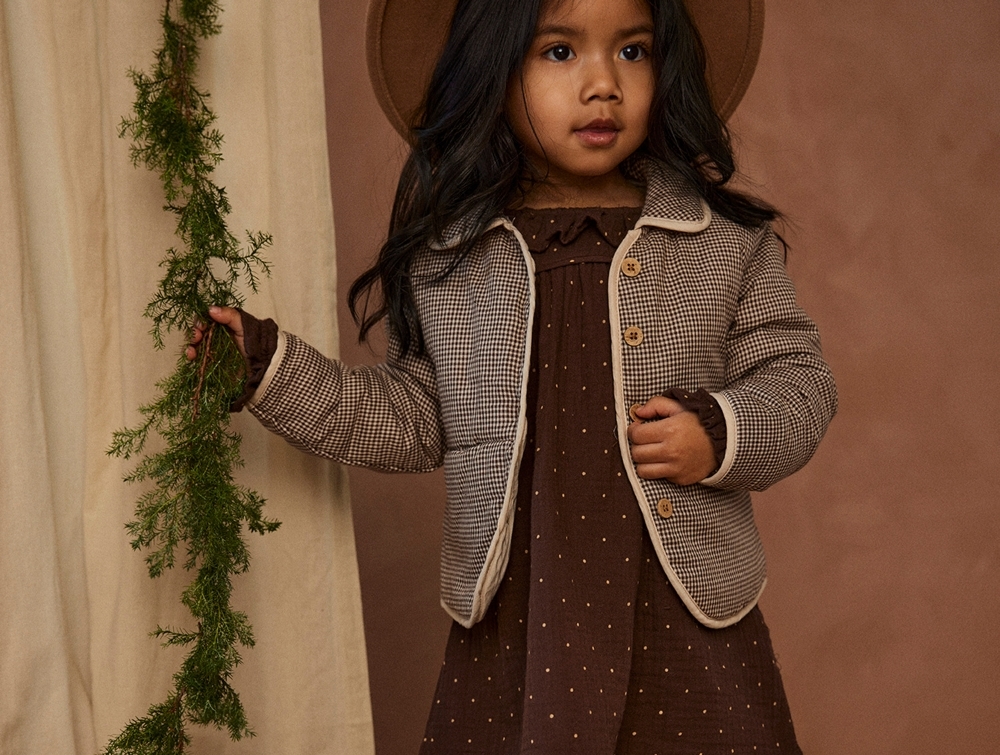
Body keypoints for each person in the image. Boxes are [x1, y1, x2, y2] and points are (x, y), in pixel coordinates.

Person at [189, 0, 837, 751]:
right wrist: (271, 367)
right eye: (559, 52)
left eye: (633, 51)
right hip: (524, 614)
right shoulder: (450, 258)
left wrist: (720, 433)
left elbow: (800, 381)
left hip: (682, 608)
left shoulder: (723, 242)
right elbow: (412, 416)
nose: (604, 84)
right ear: (491, 70)